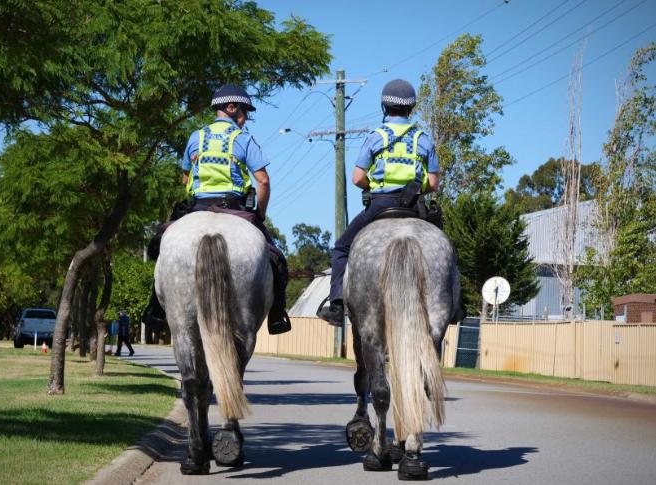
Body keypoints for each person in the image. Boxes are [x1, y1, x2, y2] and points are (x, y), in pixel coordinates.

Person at [145, 84, 291, 335]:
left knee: (159, 246)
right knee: (276, 258)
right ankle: (277, 315)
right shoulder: (243, 139)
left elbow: (185, 178)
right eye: (244, 112)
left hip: (198, 206)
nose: (245, 119)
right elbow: (263, 181)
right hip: (234, 208)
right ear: (231, 108)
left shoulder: (195, 137)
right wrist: (260, 214)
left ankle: (156, 308)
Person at [317, 79, 440, 326]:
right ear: (411, 108)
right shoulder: (423, 139)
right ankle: (455, 305)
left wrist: (373, 186)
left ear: (385, 107)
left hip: (381, 206)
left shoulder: (376, 137)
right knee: (444, 249)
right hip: (414, 208)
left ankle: (337, 303)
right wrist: (417, 187)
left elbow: (357, 177)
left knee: (341, 248)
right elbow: (433, 183)